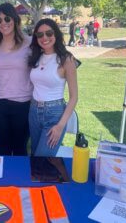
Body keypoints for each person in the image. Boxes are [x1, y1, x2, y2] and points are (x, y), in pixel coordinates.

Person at [28, 18, 78, 156]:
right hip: (33, 111)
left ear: (56, 34)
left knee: (43, 159)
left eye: (49, 33)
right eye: (40, 34)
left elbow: (74, 97)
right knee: (35, 156)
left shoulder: (66, 59)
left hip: (54, 114)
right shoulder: (36, 57)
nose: (44, 38)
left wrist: (60, 126)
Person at [0, 2, 33, 156]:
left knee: (20, 149)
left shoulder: (30, 43)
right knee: (2, 151)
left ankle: (19, 180)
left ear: (14, 20)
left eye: (7, 19)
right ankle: (4, 180)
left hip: (23, 105)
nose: (3, 23)